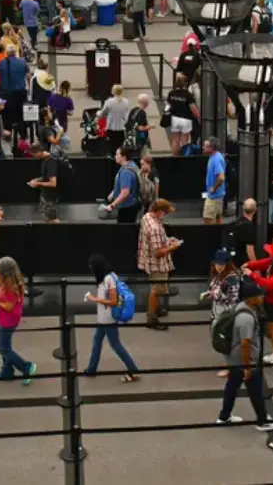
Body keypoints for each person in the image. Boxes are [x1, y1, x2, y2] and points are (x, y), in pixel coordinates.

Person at [215, 277, 273, 430]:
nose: (262, 297)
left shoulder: (241, 307)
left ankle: (224, 417)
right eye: (259, 296)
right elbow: (245, 343)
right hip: (243, 360)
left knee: (232, 386)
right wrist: (247, 367)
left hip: (233, 358)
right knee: (255, 390)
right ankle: (263, 421)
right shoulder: (246, 318)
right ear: (251, 299)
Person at [84, 253, 140, 382]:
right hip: (103, 318)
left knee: (115, 345)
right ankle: (91, 369)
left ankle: (134, 370)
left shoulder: (109, 279)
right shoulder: (109, 276)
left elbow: (114, 301)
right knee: (97, 342)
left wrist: (95, 299)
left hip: (108, 319)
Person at [0, 257, 35, 383]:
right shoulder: (6, 283)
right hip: (4, 319)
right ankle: (7, 372)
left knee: (3, 348)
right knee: (6, 345)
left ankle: (26, 367)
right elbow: (3, 297)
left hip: (9, 320)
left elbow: (8, 307)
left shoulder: (12, 287)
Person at [137, 200, 180, 330]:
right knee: (156, 290)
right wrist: (173, 247)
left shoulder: (147, 217)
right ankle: (152, 319)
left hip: (148, 261)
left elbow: (155, 241)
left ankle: (155, 310)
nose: (165, 215)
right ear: (160, 212)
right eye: (165, 213)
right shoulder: (155, 227)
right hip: (157, 265)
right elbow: (158, 252)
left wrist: (167, 240)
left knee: (156, 289)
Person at [104, 146, 141, 223]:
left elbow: (125, 193)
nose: (115, 156)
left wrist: (112, 205)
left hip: (127, 207)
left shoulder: (125, 172)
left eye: (117, 155)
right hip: (133, 204)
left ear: (123, 157)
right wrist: (113, 193)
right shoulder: (132, 164)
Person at [28, 143, 59, 223]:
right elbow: (46, 177)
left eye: (34, 154)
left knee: (52, 220)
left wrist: (37, 184)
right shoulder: (45, 161)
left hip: (50, 197)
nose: (34, 157)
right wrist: (37, 180)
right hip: (46, 195)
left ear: (39, 152)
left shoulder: (50, 163)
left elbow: (53, 183)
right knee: (47, 218)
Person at [98, 84, 130, 156]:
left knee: (112, 149)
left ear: (113, 92)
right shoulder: (126, 101)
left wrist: (98, 113)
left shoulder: (109, 102)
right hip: (122, 129)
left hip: (111, 129)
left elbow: (102, 114)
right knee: (120, 149)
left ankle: (113, 163)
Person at [203, 138, 227, 224]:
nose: (203, 148)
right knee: (218, 217)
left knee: (207, 219)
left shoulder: (216, 159)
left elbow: (221, 177)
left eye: (205, 146)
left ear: (211, 148)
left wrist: (214, 188)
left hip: (214, 196)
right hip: (218, 195)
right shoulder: (215, 156)